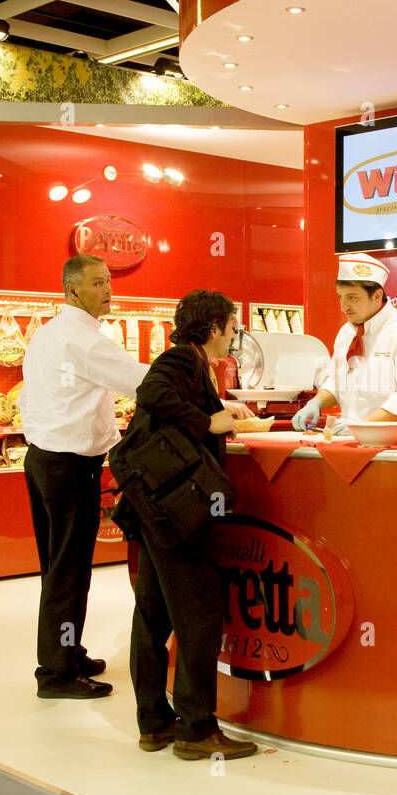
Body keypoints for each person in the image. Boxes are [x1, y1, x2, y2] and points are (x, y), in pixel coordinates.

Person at [128, 290, 259, 760]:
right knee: (200, 614)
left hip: (154, 507)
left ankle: (154, 722)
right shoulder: (181, 359)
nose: (233, 335)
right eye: (231, 326)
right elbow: (153, 393)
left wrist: (217, 411)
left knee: (153, 614)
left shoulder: (188, 361)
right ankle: (197, 728)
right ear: (213, 328)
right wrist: (209, 422)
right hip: (177, 511)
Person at [18, 254, 147, 700]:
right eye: (97, 283)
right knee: (68, 570)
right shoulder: (86, 341)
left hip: (43, 461)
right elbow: (141, 382)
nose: (108, 289)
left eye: (108, 280)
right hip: (68, 465)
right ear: (72, 290)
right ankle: (54, 673)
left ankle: (66, 651)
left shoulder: (50, 333)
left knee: (59, 566)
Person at [292, 253, 397, 431]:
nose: (344, 307)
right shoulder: (346, 332)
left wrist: (362, 426)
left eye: (352, 298)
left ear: (377, 296)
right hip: (349, 438)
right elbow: (336, 380)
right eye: (340, 297)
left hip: (394, 441)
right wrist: (316, 403)